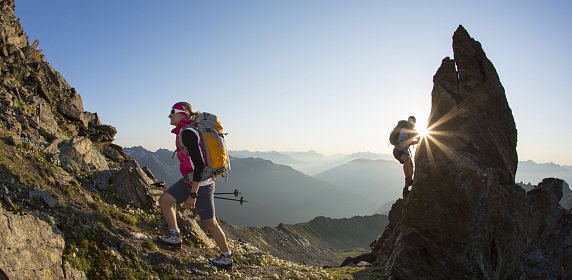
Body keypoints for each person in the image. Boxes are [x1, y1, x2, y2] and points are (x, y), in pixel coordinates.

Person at [158, 102, 232, 268]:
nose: (170, 116)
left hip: (202, 183)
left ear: (183, 113)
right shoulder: (186, 131)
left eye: (173, 112)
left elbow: (199, 164)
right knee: (165, 200)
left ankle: (227, 257)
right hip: (191, 179)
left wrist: (193, 194)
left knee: (210, 223)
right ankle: (175, 236)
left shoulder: (189, 133)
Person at [392, 116, 420, 197]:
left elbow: (418, 138)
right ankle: (408, 179)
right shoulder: (404, 130)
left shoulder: (413, 131)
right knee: (406, 160)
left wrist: (418, 139)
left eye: (413, 122)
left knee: (411, 167)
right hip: (398, 151)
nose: (412, 124)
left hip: (405, 151)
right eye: (411, 122)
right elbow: (403, 142)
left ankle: (406, 189)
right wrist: (415, 142)